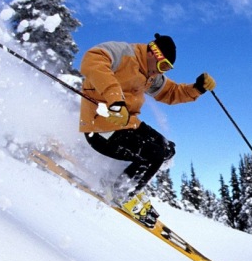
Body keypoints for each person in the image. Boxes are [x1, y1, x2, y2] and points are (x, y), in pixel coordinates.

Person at [78, 33, 215, 227]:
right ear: (153, 53)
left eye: (167, 68)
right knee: (154, 154)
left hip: (126, 124)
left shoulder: (150, 75)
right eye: (162, 66)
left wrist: (198, 88)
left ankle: (120, 180)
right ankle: (120, 192)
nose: (162, 72)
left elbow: (170, 92)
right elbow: (92, 60)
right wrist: (115, 99)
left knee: (167, 149)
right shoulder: (124, 53)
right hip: (101, 125)